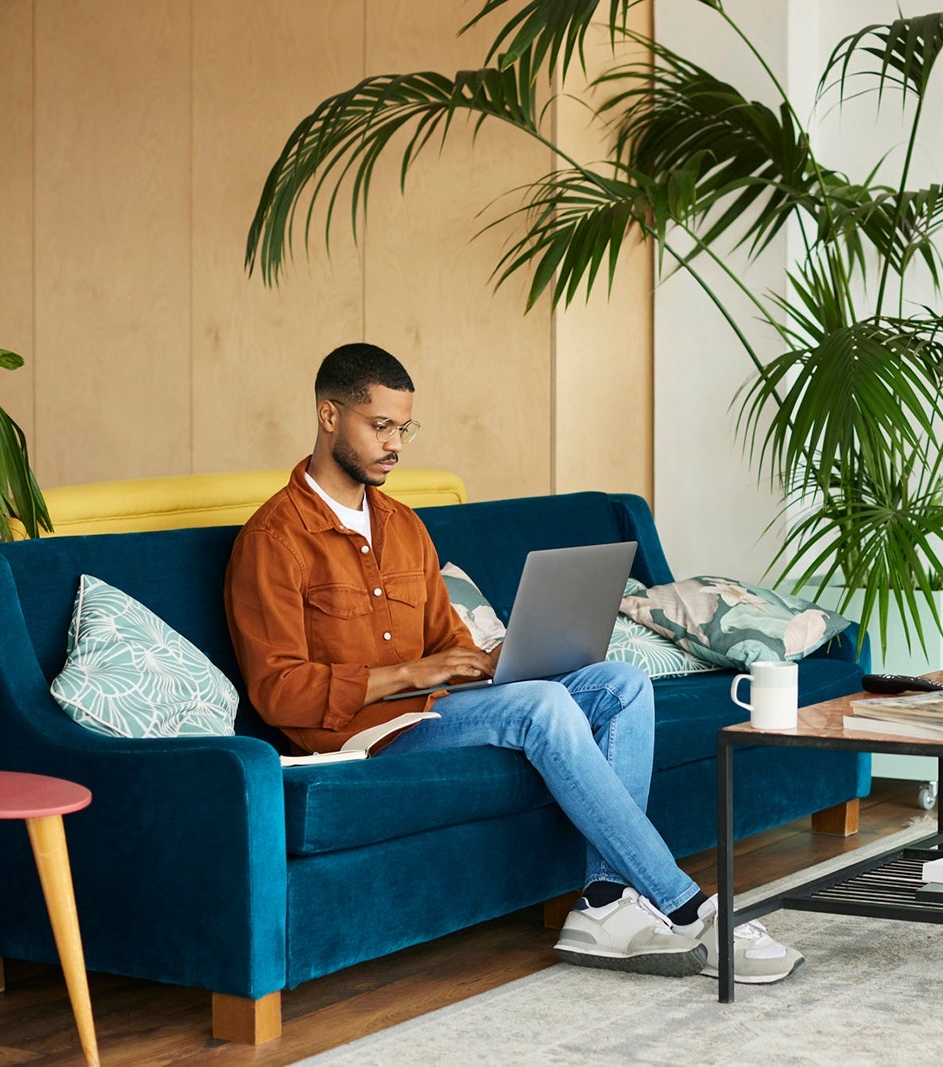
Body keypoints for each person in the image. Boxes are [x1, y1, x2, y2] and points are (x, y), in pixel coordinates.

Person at [223, 341, 802, 983]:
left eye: (403, 428)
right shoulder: (273, 541)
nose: (395, 444)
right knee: (545, 706)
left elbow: (447, 646)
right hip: (363, 736)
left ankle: (605, 900)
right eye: (379, 426)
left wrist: (505, 657)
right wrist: (413, 674)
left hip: (439, 710)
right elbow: (278, 693)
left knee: (621, 684)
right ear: (329, 417)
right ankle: (684, 904)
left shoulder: (404, 525)